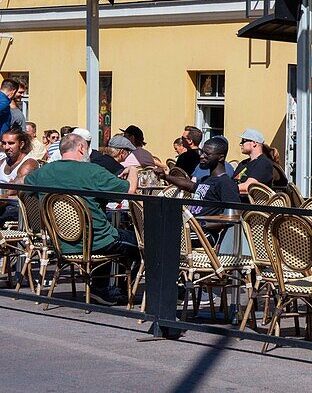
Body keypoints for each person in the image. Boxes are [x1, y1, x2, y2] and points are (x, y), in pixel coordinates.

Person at [23, 132, 141, 305]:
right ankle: (117, 290)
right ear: (80, 148)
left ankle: (100, 287)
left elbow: (24, 185)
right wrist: (133, 170)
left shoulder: (44, 171)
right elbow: (129, 190)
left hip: (60, 242)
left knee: (110, 233)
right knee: (143, 242)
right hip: (98, 241)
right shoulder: (93, 171)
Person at [156, 137, 238, 216]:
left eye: (207, 154)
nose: (201, 156)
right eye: (202, 152)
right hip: (189, 225)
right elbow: (190, 185)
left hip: (200, 229)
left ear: (220, 158)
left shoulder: (226, 183)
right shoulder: (207, 179)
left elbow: (234, 215)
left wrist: (204, 224)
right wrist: (165, 176)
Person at [0, 130, 39, 223]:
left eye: (11, 143)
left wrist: (7, 193)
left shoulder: (29, 163)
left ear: (21, 144)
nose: (6, 147)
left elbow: (12, 190)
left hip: (19, 208)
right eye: (4, 143)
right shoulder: (2, 162)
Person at [232, 129, 286, 195]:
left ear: (254, 143)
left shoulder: (263, 163)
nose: (241, 144)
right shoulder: (243, 163)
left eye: (244, 141)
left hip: (247, 204)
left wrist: (226, 188)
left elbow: (249, 187)